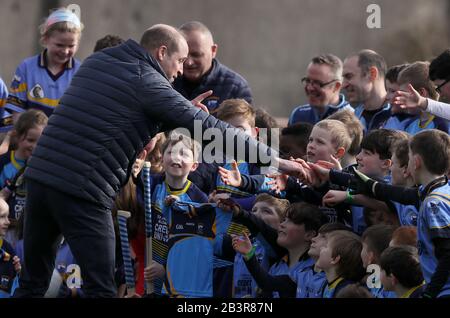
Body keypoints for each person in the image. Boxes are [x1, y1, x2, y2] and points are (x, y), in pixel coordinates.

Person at [14, 24, 306, 298]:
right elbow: (212, 129)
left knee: (32, 282)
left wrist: (170, 115)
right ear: (161, 53)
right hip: (82, 190)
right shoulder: (149, 80)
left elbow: (120, 118)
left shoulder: (99, 62)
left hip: (40, 179)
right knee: (101, 287)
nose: (180, 70)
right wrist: (279, 162)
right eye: (179, 60)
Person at [5, 6, 83, 118]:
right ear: (45, 39)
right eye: (59, 45)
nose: (65, 51)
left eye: (71, 46)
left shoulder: (80, 73)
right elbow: (17, 112)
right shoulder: (26, 68)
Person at [173, 21, 252, 112]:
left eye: (196, 55)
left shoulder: (235, 87)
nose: (189, 62)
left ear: (213, 51)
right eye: (184, 55)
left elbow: (244, 125)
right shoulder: (167, 80)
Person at [288, 54, 352, 126]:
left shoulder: (351, 119)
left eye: (318, 83)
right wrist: (273, 130)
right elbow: (278, 136)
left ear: (336, 86)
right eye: (307, 81)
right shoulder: (298, 114)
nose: (310, 88)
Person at [393, 49, 450, 120]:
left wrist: (422, 101)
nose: (440, 94)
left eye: (439, 87)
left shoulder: (443, 124)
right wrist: (421, 101)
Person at [342, 50, 391, 132]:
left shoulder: (400, 117)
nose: (343, 85)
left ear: (372, 74)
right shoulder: (351, 120)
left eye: (349, 76)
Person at [396, 62, 449, 135]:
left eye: (403, 93)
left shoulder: (443, 125)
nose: (399, 97)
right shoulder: (408, 125)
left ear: (421, 93)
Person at [0, 110, 48, 189]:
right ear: (18, 136)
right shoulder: (4, 161)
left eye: (40, 142)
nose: (35, 146)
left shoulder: (43, 166)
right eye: (30, 140)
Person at [360, 224, 396, 298]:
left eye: (363, 247)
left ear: (370, 256)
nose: (360, 252)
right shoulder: (374, 276)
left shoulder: (392, 288)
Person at [0, 198, 21, 298]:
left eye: (7, 216)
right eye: (2, 216)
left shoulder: (8, 250)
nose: (8, 222)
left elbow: (12, 288)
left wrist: (18, 272)